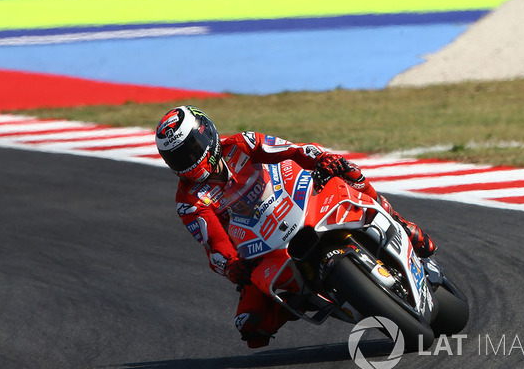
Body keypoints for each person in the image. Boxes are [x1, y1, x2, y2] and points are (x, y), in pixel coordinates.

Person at [155, 105, 437, 349]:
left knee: (345, 169)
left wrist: (319, 158)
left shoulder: (242, 143)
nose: (190, 161)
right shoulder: (188, 200)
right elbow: (214, 242)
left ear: (207, 134)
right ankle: (316, 298)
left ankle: (398, 221)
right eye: (179, 158)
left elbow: (289, 150)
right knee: (250, 325)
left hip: (295, 202)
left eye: (191, 149)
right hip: (261, 247)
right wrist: (232, 266)